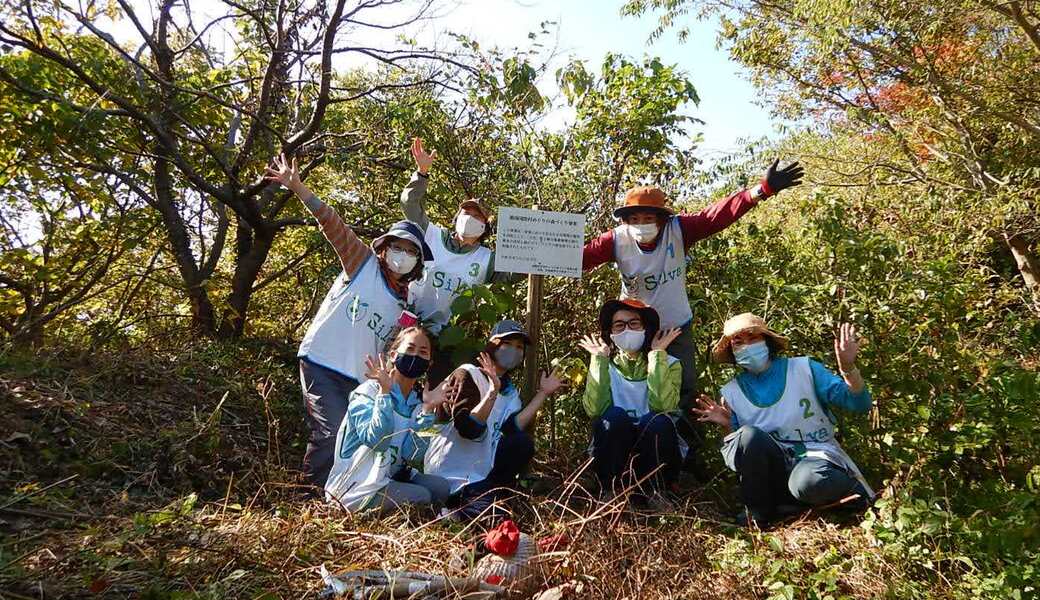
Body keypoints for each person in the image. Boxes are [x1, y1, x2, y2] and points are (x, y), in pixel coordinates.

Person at [581, 160, 804, 415]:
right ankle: (629, 443)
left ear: (662, 219)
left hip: (675, 327)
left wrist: (762, 190)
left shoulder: (679, 229)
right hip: (635, 328)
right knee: (629, 385)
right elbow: (581, 258)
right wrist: (537, 256)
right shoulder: (617, 239)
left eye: (648, 218)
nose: (641, 224)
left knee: (684, 388)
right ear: (625, 220)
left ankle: (682, 447)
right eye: (634, 218)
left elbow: (716, 216)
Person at [266, 153, 433, 489]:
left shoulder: (407, 300)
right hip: (323, 362)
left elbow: (397, 346)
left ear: (417, 261)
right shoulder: (362, 263)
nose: (402, 255)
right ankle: (311, 499)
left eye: (410, 251)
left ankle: (342, 493)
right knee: (330, 432)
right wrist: (298, 187)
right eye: (396, 247)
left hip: (362, 377)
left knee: (353, 436)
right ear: (383, 249)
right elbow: (332, 223)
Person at [694, 313, 875, 527]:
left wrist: (848, 369)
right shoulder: (731, 393)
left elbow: (858, 403)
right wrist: (727, 426)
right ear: (732, 351)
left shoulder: (804, 369)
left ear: (767, 342)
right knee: (748, 435)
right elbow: (739, 459)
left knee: (808, 481)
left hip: (815, 456)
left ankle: (854, 493)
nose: (747, 346)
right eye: (738, 342)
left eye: (753, 338)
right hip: (775, 470)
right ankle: (759, 514)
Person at [401, 138, 522, 383]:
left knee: (438, 395)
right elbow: (409, 203)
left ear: (484, 227)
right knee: (398, 383)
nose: (470, 218)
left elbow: (515, 274)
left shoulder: (487, 259)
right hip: (408, 325)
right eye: (466, 213)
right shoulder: (431, 234)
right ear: (457, 217)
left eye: (478, 216)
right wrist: (421, 173)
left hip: (448, 339)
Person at [424, 319, 565, 522]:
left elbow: (511, 427)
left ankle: (490, 495)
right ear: (492, 344)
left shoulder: (509, 393)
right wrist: (491, 392)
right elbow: (468, 428)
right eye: (507, 344)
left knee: (521, 443)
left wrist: (543, 393)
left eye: (519, 347)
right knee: (492, 521)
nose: (513, 351)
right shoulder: (468, 374)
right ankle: (454, 509)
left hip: (480, 473)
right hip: (449, 473)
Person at [324, 326, 455, 512]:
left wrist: (428, 409)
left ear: (429, 362)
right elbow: (378, 440)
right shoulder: (367, 392)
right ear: (393, 355)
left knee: (440, 488)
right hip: (358, 485)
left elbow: (413, 456)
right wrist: (384, 394)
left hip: (389, 477)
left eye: (423, 352)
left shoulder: (417, 402)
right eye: (410, 349)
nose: (415, 356)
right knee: (422, 496)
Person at [578, 299, 684, 511]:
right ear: (611, 333)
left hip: (654, 452)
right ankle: (611, 490)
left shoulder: (669, 363)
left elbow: (664, 406)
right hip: (615, 451)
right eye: (619, 325)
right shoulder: (604, 366)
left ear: (646, 328)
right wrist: (599, 361)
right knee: (613, 417)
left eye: (634, 323)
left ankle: (656, 491)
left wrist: (657, 356)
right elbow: (595, 410)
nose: (626, 329)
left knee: (658, 421)